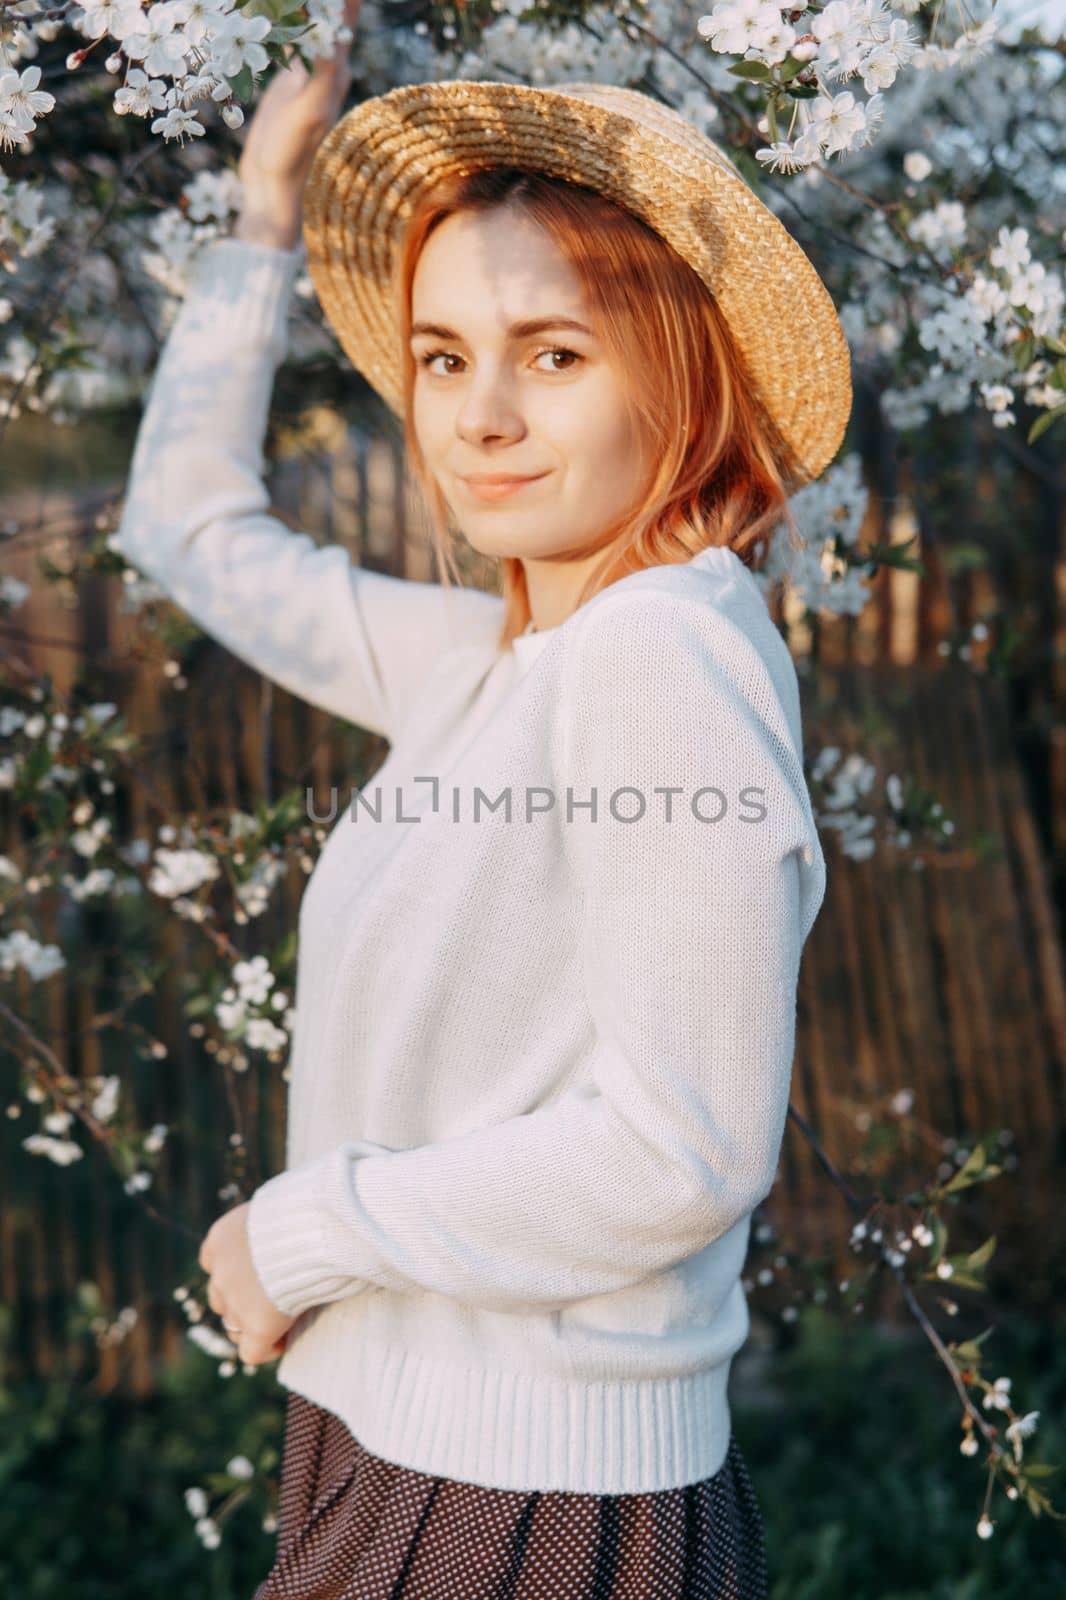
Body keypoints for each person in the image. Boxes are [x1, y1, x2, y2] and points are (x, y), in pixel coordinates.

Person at [115, 3, 850, 1593]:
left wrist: (302, 1231)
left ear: (677, 372)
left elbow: (681, 1149)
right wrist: (260, 222)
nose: (481, 417)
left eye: (554, 355)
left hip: (524, 1493)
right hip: (403, 1432)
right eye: (445, 358)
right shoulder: (502, 664)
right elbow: (187, 530)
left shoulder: (663, 657)